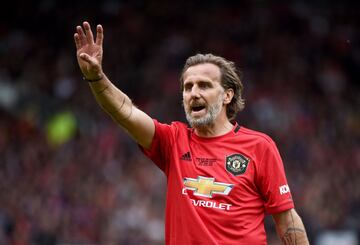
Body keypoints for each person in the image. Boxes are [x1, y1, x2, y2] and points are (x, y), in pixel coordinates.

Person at [74, 21, 309, 245]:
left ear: (227, 95)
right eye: (188, 87)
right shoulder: (173, 141)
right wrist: (96, 77)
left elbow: (287, 221)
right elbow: (126, 112)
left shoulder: (260, 147)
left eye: (204, 85)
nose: (193, 93)